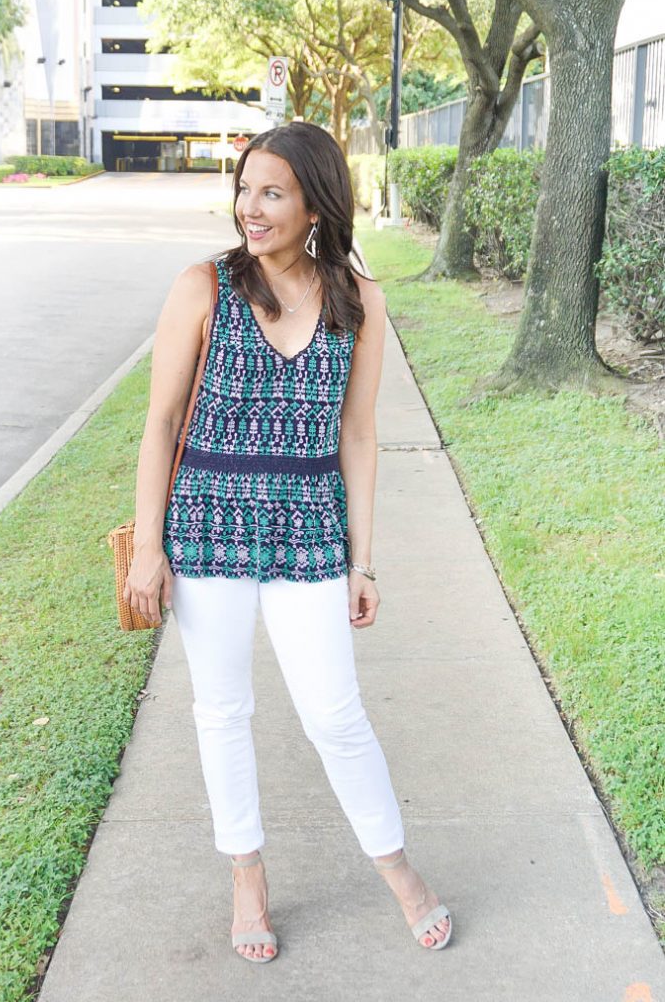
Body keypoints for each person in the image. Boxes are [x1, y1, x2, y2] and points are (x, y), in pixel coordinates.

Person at [124, 121, 452, 963]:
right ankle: (246, 875)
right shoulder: (204, 285)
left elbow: (359, 437)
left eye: (271, 191)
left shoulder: (357, 299)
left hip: (308, 526)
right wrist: (149, 548)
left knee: (334, 713)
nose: (250, 207)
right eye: (244, 189)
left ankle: (398, 871)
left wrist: (362, 558)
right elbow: (160, 424)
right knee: (221, 710)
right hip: (207, 523)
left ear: (314, 203)